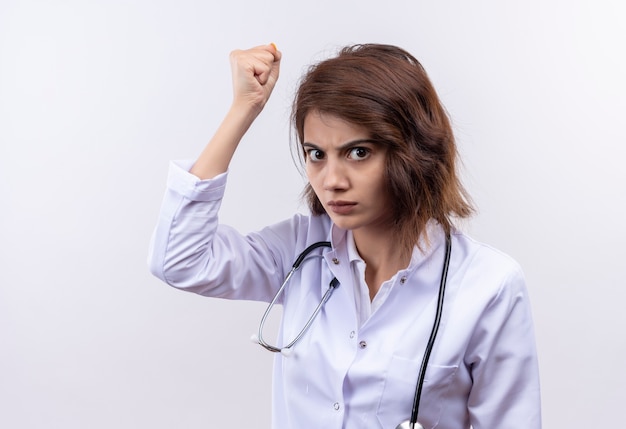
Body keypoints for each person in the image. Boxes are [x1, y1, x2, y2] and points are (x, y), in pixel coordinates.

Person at [148, 43, 541, 429]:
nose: (332, 181)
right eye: (316, 154)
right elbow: (180, 261)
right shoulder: (297, 252)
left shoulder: (488, 285)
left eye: (358, 153)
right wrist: (242, 109)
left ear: (414, 151)